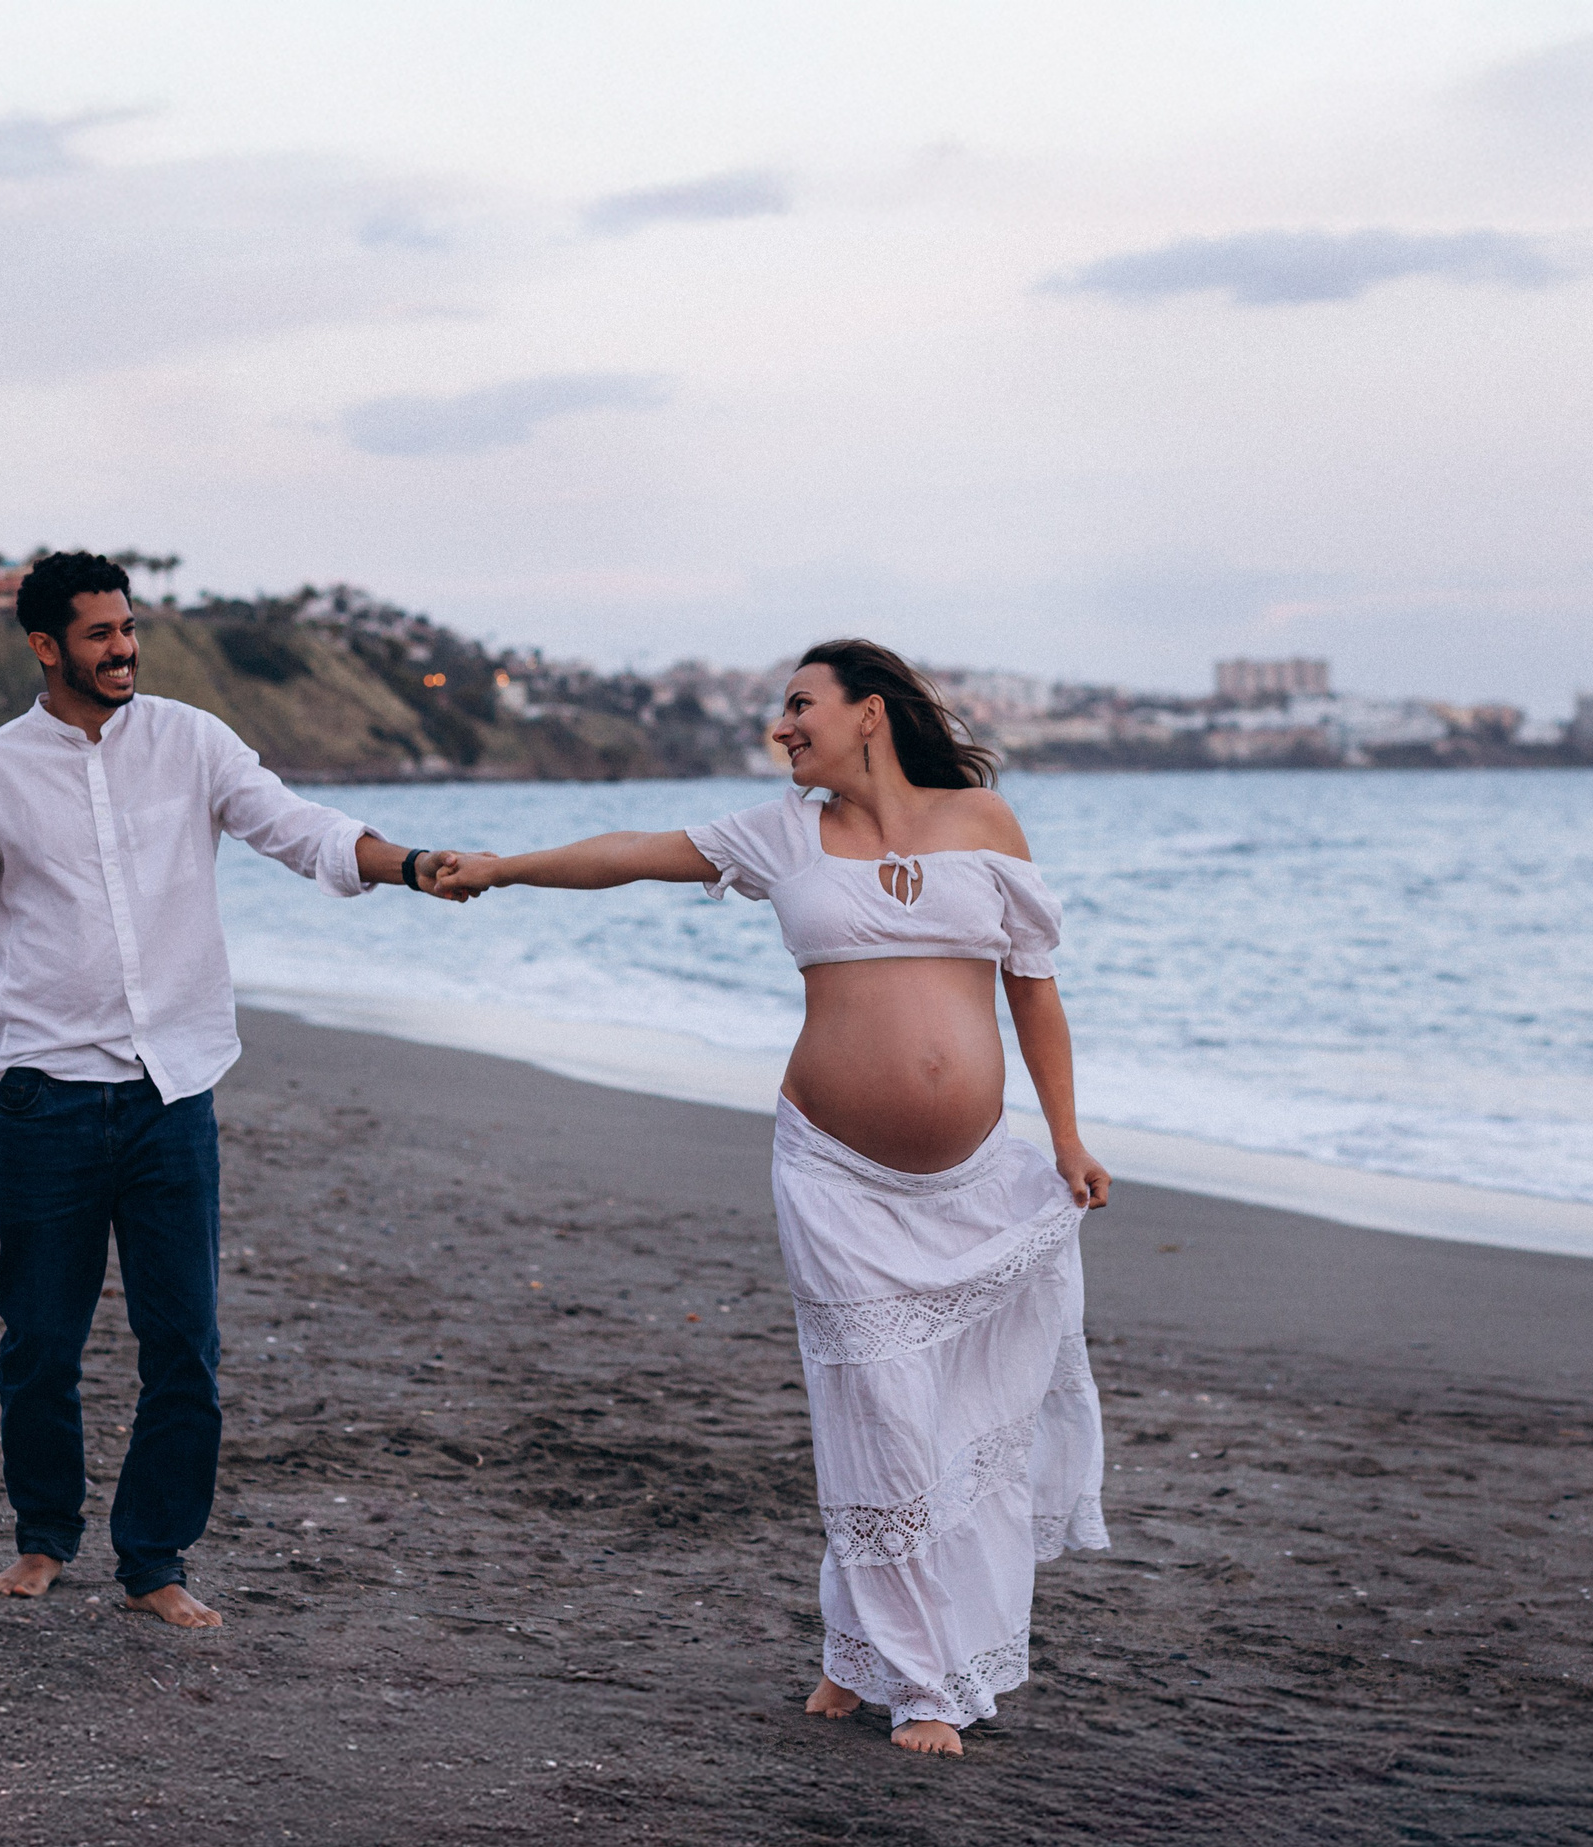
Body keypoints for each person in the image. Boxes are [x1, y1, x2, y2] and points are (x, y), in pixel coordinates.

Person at [436, 639, 1111, 1754]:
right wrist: (503, 866)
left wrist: (1070, 1138)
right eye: (777, 710)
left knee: (956, 1407)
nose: (780, 726)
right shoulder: (779, 832)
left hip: (980, 1178)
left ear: (871, 715)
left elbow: (1033, 991)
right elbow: (627, 853)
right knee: (879, 1412)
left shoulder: (984, 826)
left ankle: (853, 1653)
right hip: (836, 1175)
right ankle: (923, 1682)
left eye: (800, 704)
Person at [0, 551, 466, 1623]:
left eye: (127, 627)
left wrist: (411, 861)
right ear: (45, 646)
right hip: (44, 1098)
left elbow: (295, 827)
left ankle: (154, 1562)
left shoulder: (190, 741)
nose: (123, 648)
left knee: (185, 1349)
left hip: (172, 1094)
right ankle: (43, 1538)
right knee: (39, 1345)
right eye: (100, 633)